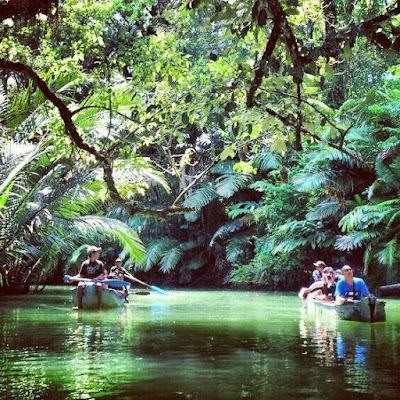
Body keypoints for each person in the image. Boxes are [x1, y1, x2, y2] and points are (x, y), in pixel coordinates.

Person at [71, 246, 106, 310]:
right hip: (86, 281)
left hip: (96, 281)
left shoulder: (100, 263)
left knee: (99, 286)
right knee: (80, 285)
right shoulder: (85, 263)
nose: (98, 254)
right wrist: (72, 278)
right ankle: (79, 306)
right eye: (97, 252)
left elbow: (103, 274)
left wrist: (97, 278)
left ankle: (99, 306)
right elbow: (80, 275)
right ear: (92, 254)